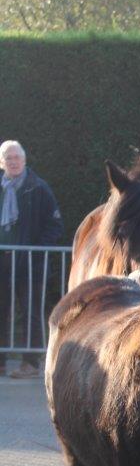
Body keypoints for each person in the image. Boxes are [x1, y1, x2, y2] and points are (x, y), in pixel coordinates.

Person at [0, 140, 63, 378]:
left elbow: (55, 225)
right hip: (2, 261)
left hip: (30, 262)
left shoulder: (39, 188)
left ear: (25, 161)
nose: (13, 162)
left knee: (31, 311)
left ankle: (31, 364)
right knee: (1, 310)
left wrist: (36, 250)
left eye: (17, 157)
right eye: (8, 158)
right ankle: (1, 362)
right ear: (1, 162)